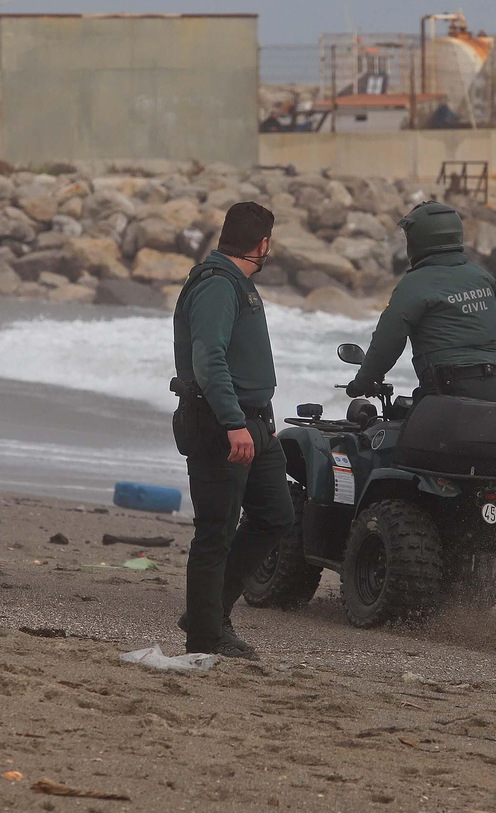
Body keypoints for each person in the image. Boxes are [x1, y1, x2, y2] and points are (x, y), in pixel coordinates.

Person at [171, 202, 294, 659]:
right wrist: (233, 423)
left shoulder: (238, 284)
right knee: (215, 532)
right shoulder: (219, 285)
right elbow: (209, 360)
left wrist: (261, 422)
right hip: (221, 423)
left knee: (276, 516)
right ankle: (205, 634)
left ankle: (208, 609)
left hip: (255, 424)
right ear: (262, 245)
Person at [345, 201, 496, 403]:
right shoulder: (485, 279)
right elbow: (495, 334)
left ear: (419, 240)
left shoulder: (414, 285)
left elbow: (387, 341)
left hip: (447, 396)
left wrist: (361, 383)